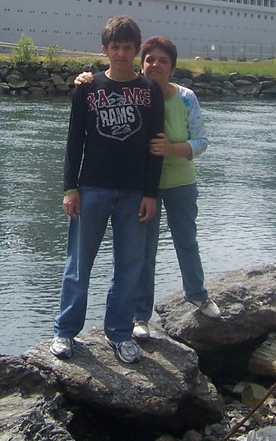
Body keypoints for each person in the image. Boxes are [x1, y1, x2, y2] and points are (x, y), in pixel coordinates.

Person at [75, 36, 220, 341]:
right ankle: (141, 315)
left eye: (162, 61)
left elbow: (202, 141)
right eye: (150, 60)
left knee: (186, 241)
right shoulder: (136, 91)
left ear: (172, 67)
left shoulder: (186, 98)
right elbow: (108, 85)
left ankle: (197, 294)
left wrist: (172, 148)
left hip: (179, 181)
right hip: (141, 184)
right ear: (142, 63)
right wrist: (86, 78)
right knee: (143, 252)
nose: (155, 65)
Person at [51, 16, 165, 365]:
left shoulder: (150, 91)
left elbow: (155, 145)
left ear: (135, 51)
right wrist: (70, 188)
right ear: (104, 49)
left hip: (134, 192)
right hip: (92, 188)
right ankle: (65, 331)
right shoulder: (87, 88)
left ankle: (118, 334)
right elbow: (74, 142)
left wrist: (150, 193)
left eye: (127, 48)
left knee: (129, 266)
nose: (120, 53)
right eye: (114, 47)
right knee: (78, 264)